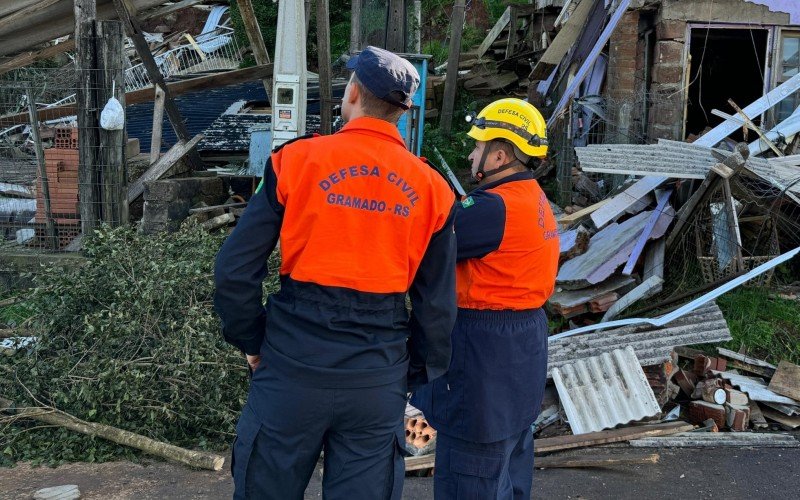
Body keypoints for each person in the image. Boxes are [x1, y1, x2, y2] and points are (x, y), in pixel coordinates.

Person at [214, 46, 458, 500]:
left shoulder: (295, 162)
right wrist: (408, 375)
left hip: (290, 366)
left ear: (352, 94)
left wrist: (253, 341)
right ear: (404, 112)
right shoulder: (434, 190)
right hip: (376, 376)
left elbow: (234, 271)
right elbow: (438, 306)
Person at [411, 98, 560, 499]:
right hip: (519, 349)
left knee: (470, 475)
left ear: (499, 154)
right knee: (507, 476)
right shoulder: (533, 199)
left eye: (477, 148)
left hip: (484, 352)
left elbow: (426, 248)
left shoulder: (493, 207)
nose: (472, 155)